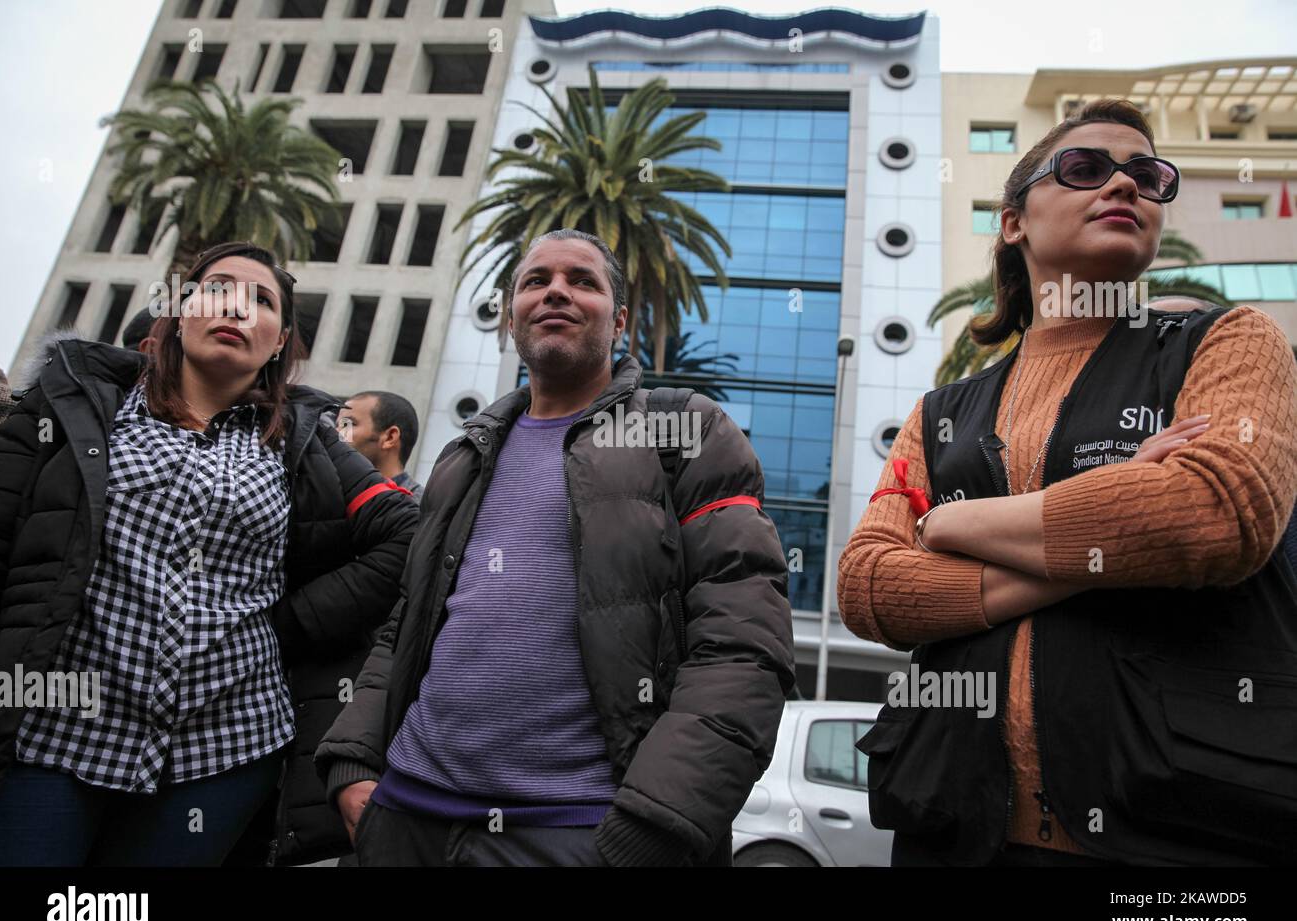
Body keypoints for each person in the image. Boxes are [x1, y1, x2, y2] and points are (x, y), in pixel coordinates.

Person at [838, 98, 1297, 867]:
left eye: (1147, 176)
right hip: (951, 831)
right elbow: (868, 588)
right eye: (1086, 169)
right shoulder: (939, 412)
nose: (1126, 186)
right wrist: (1116, 513)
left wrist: (954, 526)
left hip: (1177, 840)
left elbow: (1217, 513)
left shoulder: (1232, 339)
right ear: (1013, 221)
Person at [315, 229, 796, 866]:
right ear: (511, 313)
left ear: (620, 319)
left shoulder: (685, 432)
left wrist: (654, 827)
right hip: (405, 815)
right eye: (536, 281)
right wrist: (353, 761)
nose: (556, 293)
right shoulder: (463, 458)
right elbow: (404, 625)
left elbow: (743, 649)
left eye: (583, 281)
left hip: (574, 831)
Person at [0, 241, 419, 866]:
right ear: (177, 311)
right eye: (217, 288)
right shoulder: (73, 405)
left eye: (262, 301)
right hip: (56, 733)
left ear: (280, 341)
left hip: (224, 751)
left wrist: (294, 622)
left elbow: (407, 535)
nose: (237, 308)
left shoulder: (306, 442)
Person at [338, 390, 424, 503]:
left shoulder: (419, 507)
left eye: (349, 424)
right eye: (338, 425)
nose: (337, 432)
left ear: (390, 437)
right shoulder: (331, 494)